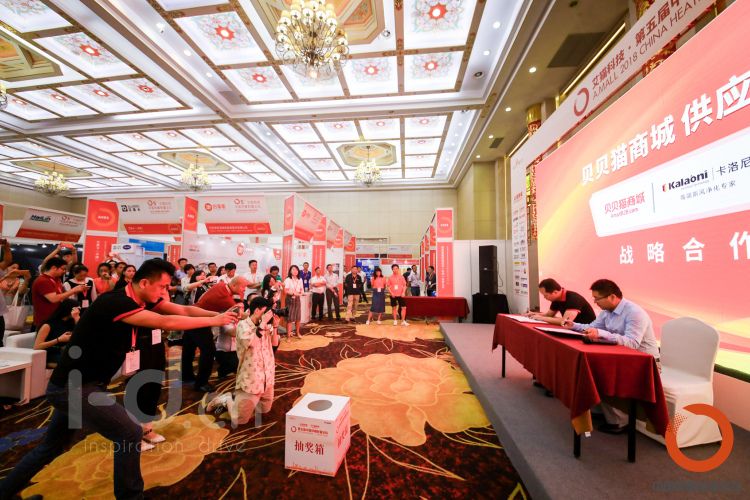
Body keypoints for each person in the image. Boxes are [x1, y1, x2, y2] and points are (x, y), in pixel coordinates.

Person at [0, 259, 238, 500]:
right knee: (129, 433)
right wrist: (214, 321)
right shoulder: (115, 302)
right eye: (162, 287)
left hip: (84, 384)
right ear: (144, 283)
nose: (164, 292)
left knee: (52, 446)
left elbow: (184, 310)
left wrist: (220, 314)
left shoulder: (141, 299)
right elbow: (165, 321)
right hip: (74, 387)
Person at [562, 279, 660, 433]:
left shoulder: (635, 313)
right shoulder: (606, 312)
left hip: (645, 363)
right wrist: (574, 326)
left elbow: (632, 343)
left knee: (602, 373)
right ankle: (599, 410)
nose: (595, 302)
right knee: (588, 369)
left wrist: (601, 333)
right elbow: (592, 327)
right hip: (621, 357)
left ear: (612, 297)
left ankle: (619, 421)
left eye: (597, 298)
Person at [206, 297, 280, 427]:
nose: (268, 314)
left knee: (264, 410)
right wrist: (262, 325)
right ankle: (226, 399)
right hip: (251, 379)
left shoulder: (265, 325)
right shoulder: (243, 325)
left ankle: (243, 401)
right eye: (266, 311)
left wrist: (275, 327)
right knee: (239, 420)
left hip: (267, 377)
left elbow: (274, 344)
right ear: (257, 310)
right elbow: (250, 343)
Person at [182, 276, 248, 392]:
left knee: (189, 348)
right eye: (243, 287)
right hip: (200, 321)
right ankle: (201, 383)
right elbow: (239, 314)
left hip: (191, 316)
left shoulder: (221, 285)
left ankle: (186, 376)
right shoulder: (225, 298)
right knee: (209, 350)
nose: (244, 289)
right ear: (233, 285)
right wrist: (256, 316)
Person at [31, 257, 87, 330]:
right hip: (45, 320)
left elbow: (62, 295)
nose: (64, 271)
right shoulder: (43, 281)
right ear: (54, 268)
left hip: (57, 319)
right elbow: (53, 299)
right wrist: (73, 290)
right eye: (63, 269)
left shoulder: (57, 279)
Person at [33, 299, 80, 367]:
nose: (78, 311)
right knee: (74, 363)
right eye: (77, 309)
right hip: (49, 354)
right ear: (69, 309)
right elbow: (37, 346)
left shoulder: (70, 322)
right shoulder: (48, 325)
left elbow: (82, 335)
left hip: (64, 352)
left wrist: (77, 318)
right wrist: (58, 339)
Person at [529, 278, 596, 325]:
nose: (544, 298)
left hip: (586, 330)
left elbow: (565, 321)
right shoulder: (556, 299)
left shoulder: (573, 299)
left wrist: (541, 318)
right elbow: (549, 315)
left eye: (546, 295)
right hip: (573, 328)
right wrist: (533, 314)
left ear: (555, 292)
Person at [283, 265, 304, 338]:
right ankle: (288, 336)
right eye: (293, 269)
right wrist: (293, 293)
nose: (295, 271)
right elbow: (285, 291)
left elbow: (302, 289)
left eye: (296, 270)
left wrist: (301, 293)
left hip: (297, 299)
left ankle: (297, 333)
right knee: (290, 318)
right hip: (290, 299)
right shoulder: (288, 279)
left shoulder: (300, 279)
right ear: (290, 271)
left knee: (298, 317)